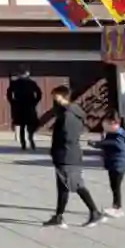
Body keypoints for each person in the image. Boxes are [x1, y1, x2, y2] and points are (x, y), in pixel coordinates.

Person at [43, 85, 105, 228]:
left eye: (55, 97)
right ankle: (58, 216)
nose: (54, 100)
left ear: (62, 97)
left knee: (76, 185)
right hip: (65, 154)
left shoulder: (68, 115)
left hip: (67, 155)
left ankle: (95, 212)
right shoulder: (71, 112)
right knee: (63, 187)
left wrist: (58, 147)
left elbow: (68, 136)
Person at [97, 117, 125, 218]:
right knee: (114, 186)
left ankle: (117, 207)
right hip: (113, 164)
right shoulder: (112, 134)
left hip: (118, 164)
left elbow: (116, 145)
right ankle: (115, 206)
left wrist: (101, 143)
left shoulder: (118, 135)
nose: (104, 126)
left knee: (116, 187)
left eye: (107, 124)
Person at [8, 69, 43, 150]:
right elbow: (39, 94)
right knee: (26, 125)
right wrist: (35, 101)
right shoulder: (28, 83)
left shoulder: (29, 83)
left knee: (25, 126)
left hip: (23, 105)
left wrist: (13, 102)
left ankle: (27, 141)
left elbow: (39, 93)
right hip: (26, 105)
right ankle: (27, 141)